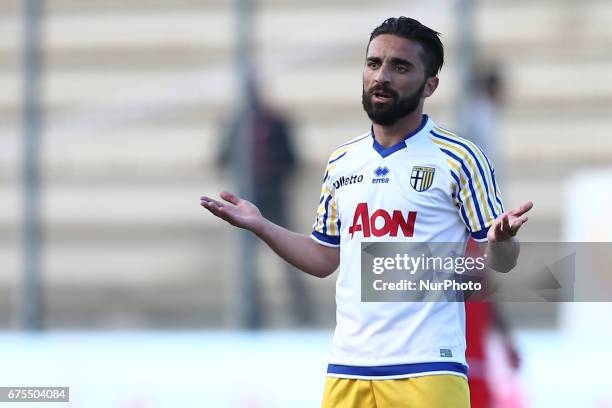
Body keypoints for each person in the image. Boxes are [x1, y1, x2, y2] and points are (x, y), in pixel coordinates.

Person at [201, 16, 533, 408]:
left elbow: (500, 262)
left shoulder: (459, 158)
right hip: (348, 370)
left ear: (430, 85)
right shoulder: (343, 161)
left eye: (401, 66)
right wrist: (262, 226)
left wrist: (502, 242)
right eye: (374, 63)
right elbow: (325, 258)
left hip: (426, 370)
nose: (382, 76)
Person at [218, 80, 313, 326]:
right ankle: (253, 314)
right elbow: (222, 156)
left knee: (288, 255)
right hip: (249, 199)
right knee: (248, 262)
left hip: (274, 196)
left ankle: (302, 312)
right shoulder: (236, 124)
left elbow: (292, 159)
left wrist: (274, 175)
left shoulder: (277, 122)